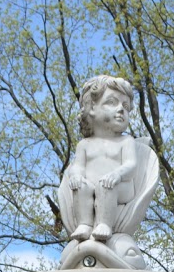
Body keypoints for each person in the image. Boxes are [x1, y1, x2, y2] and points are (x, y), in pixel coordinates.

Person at [61, 75, 142, 241]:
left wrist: (117, 175)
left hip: (119, 187)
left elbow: (131, 165)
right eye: (112, 103)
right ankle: (85, 223)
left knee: (106, 186)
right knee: (81, 187)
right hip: (92, 189)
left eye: (125, 106)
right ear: (91, 107)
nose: (121, 109)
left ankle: (104, 223)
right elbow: (78, 166)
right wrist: (76, 176)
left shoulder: (126, 141)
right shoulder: (84, 144)